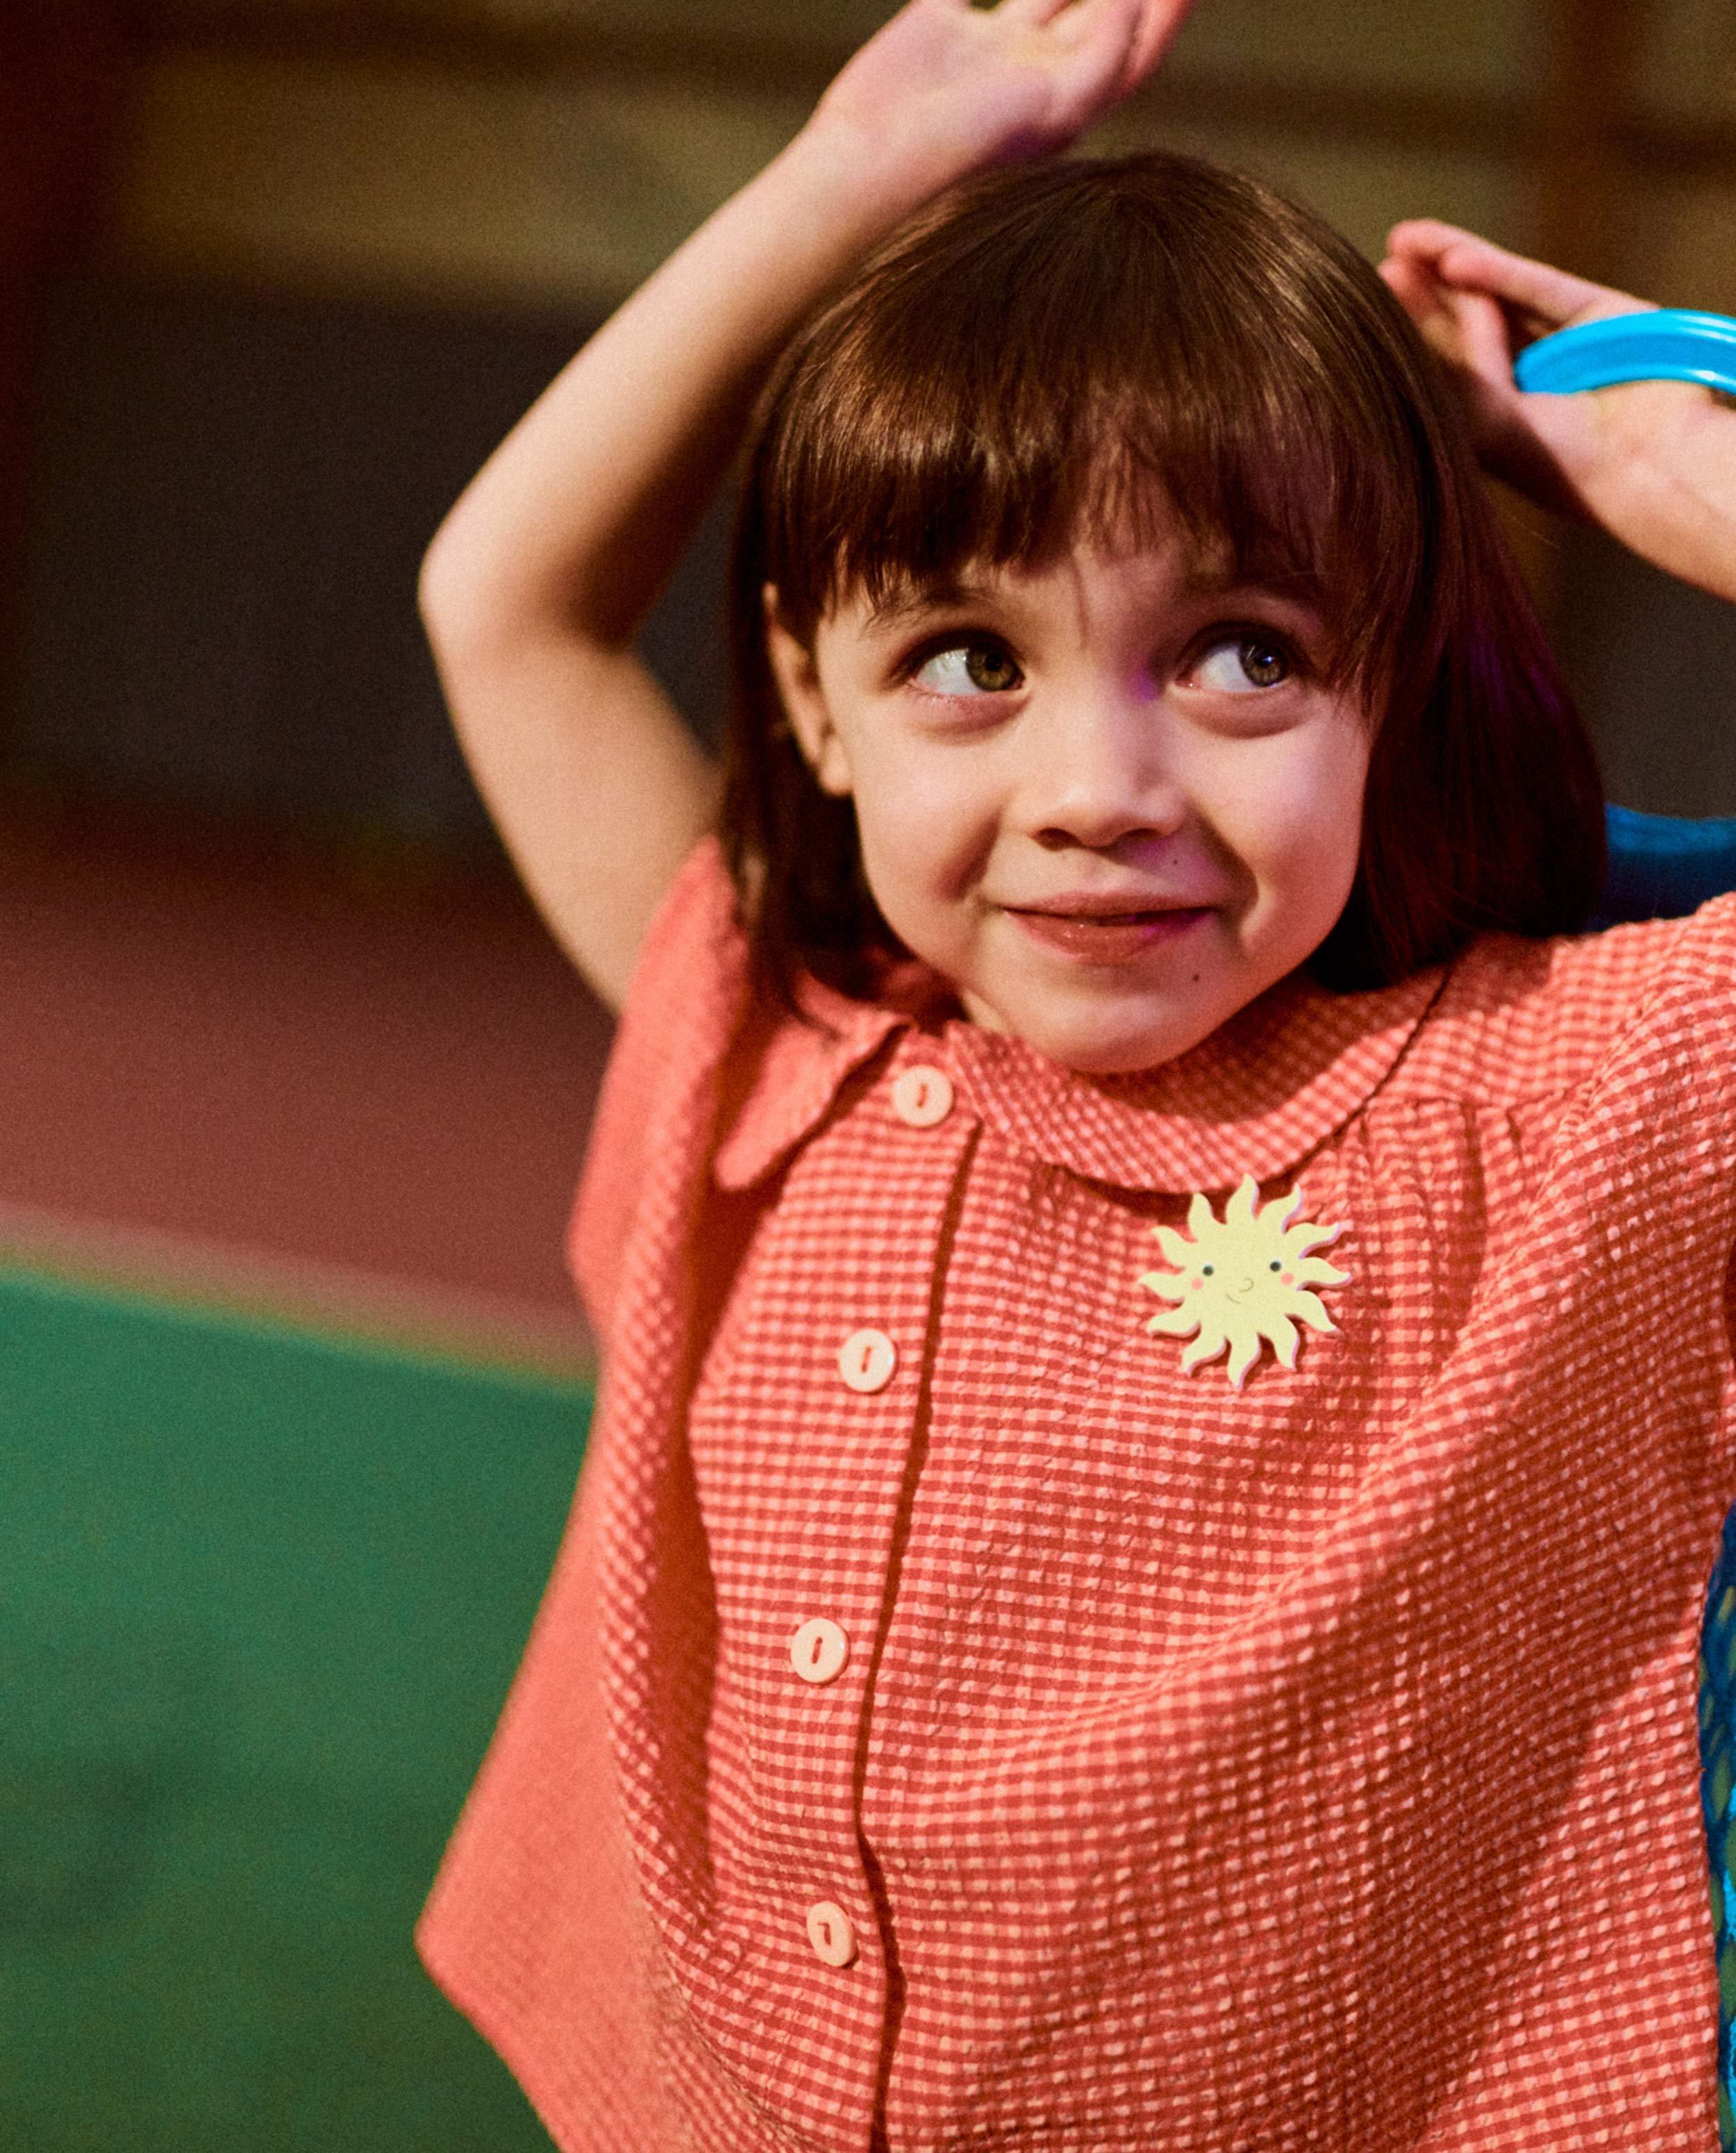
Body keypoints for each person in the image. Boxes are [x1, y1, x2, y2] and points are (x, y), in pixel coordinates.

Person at [413, 2, 1736, 2144]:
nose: (1096, 788)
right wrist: (851, 171)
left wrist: (1684, 480)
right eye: (966, 657)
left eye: (1242, 652)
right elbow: (503, 602)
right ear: (813, 704)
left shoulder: (1589, 1109)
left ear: (1388, 689)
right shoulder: (763, 1040)